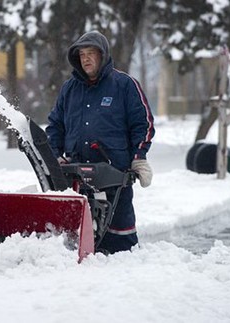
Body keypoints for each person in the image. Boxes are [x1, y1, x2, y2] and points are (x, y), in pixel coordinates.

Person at [46, 30, 155, 254]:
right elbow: (55, 126)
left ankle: (123, 273)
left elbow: (143, 124)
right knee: (78, 237)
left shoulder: (124, 85)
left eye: (91, 53)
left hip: (114, 175)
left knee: (120, 241)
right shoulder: (70, 89)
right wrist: (55, 155)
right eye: (82, 54)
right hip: (76, 176)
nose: (85, 58)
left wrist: (138, 158)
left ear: (103, 55)